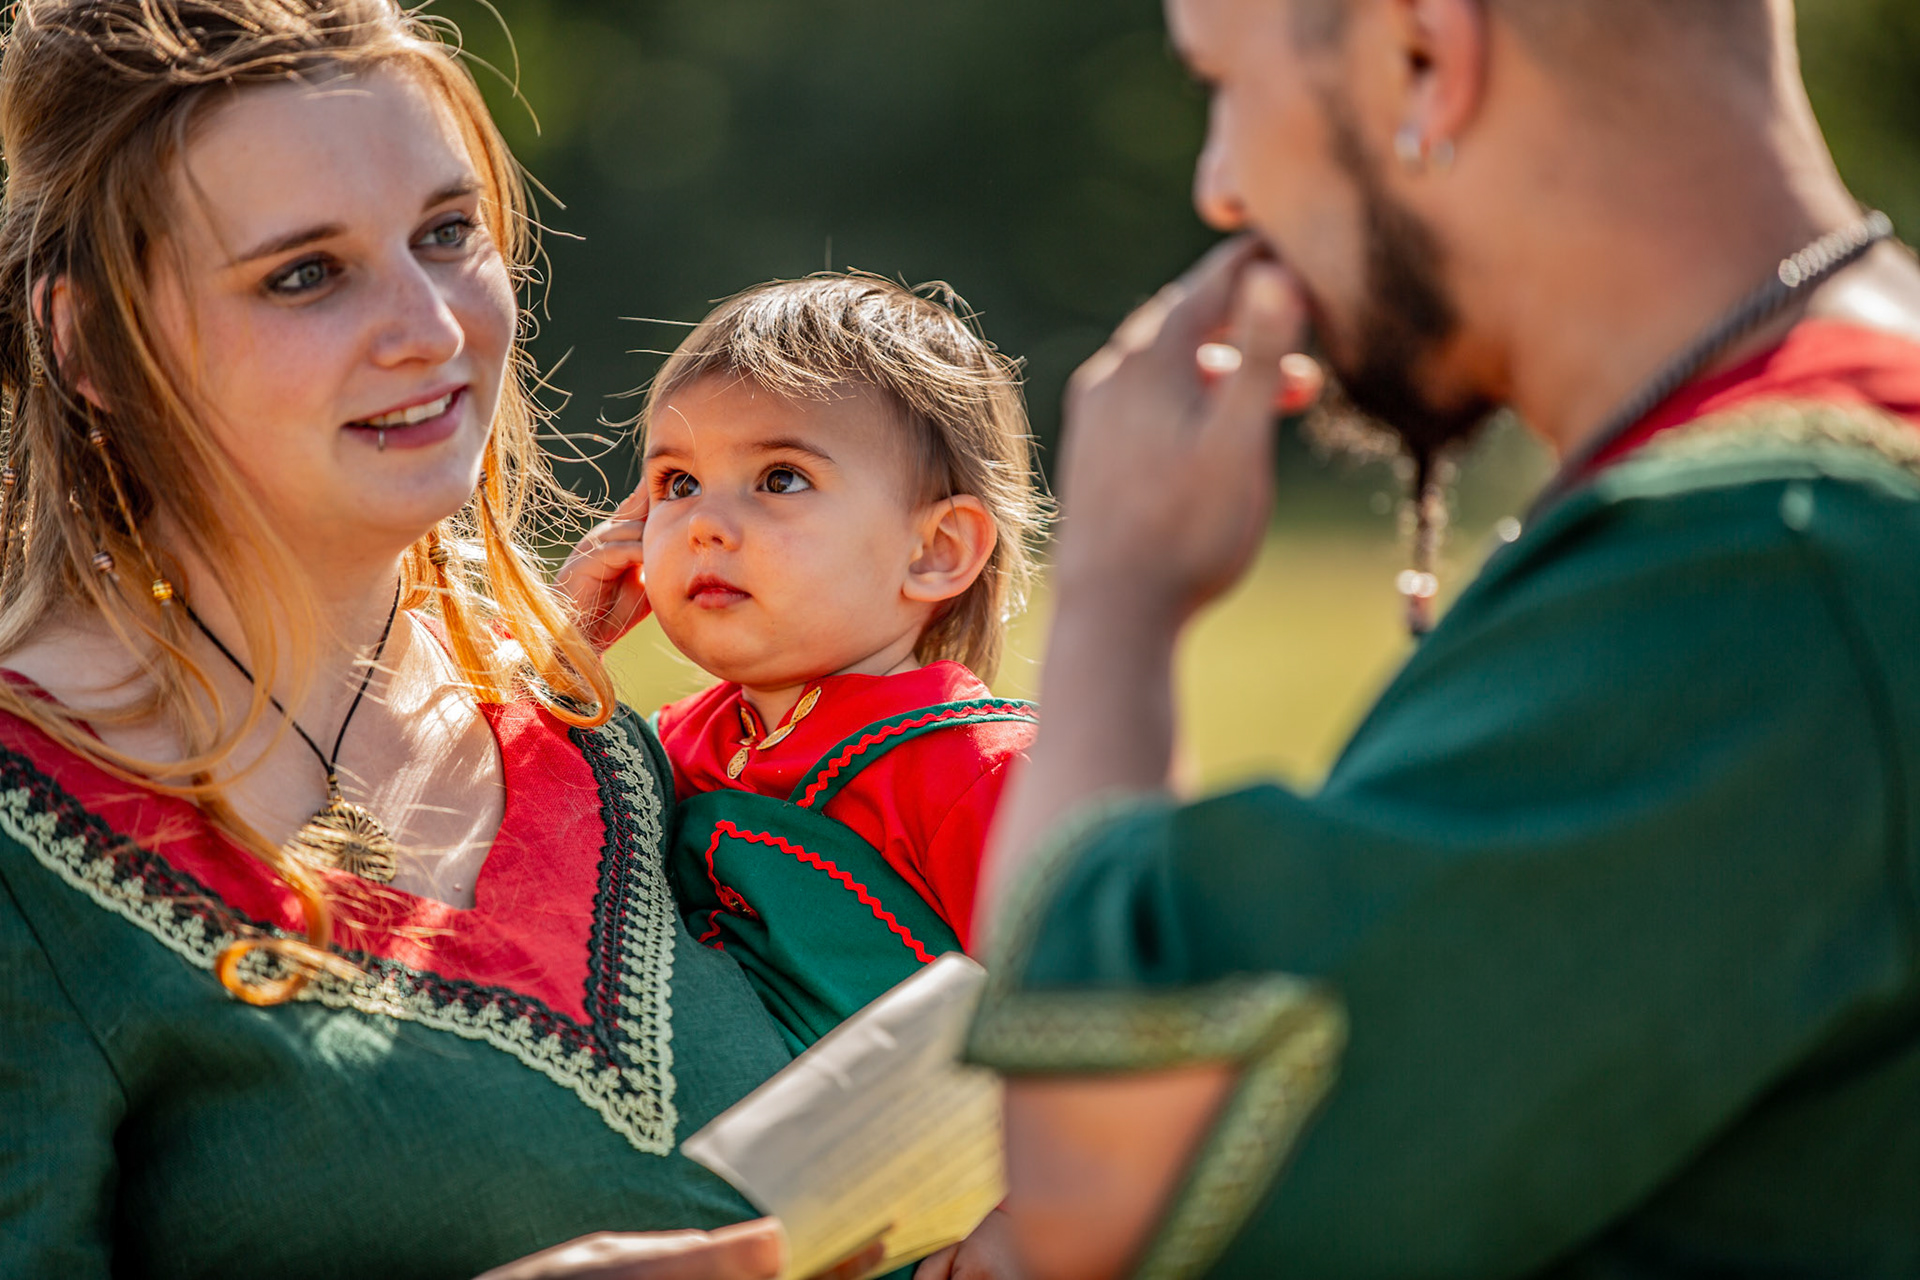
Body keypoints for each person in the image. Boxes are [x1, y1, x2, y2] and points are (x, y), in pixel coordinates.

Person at [963, 1, 1920, 1278]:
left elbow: (1098, 1189)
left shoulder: (1770, 560)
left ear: (1427, 57)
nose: (1220, 187)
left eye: (1223, 87)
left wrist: (1116, 596)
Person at [0, 2, 880, 1277]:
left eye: (448, 232)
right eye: (305, 273)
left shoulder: (595, 743)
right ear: (89, 340)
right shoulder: (25, 830)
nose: (432, 326)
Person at [560, 274, 1046, 1051]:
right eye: (678, 483)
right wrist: (559, 641)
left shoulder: (980, 774)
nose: (704, 524)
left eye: (780, 478)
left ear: (936, 550)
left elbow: (1078, 1034)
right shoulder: (663, 751)